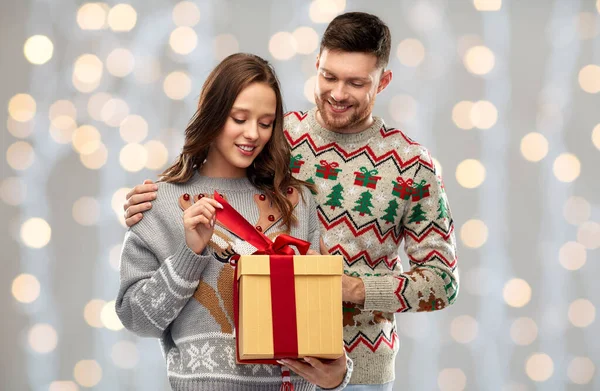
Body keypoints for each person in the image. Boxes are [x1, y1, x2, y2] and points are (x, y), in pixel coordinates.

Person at [124, 12, 459, 391]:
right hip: (272, 364)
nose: (337, 93)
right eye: (329, 76)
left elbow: (443, 282)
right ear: (316, 63)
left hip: (360, 372)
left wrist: (350, 287)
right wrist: (152, 201)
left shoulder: (413, 166)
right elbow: (216, 171)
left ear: (383, 81)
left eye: (356, 82)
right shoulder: (280, 136)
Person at [116, 53, 352, 391]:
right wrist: (189, 254)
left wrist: (338, 377)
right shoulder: (160, 204)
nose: (252, 134)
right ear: (213, 115)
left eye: (266, 123)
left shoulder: (295, 202)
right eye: (239, 118)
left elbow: (316, 325)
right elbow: (137, 320)